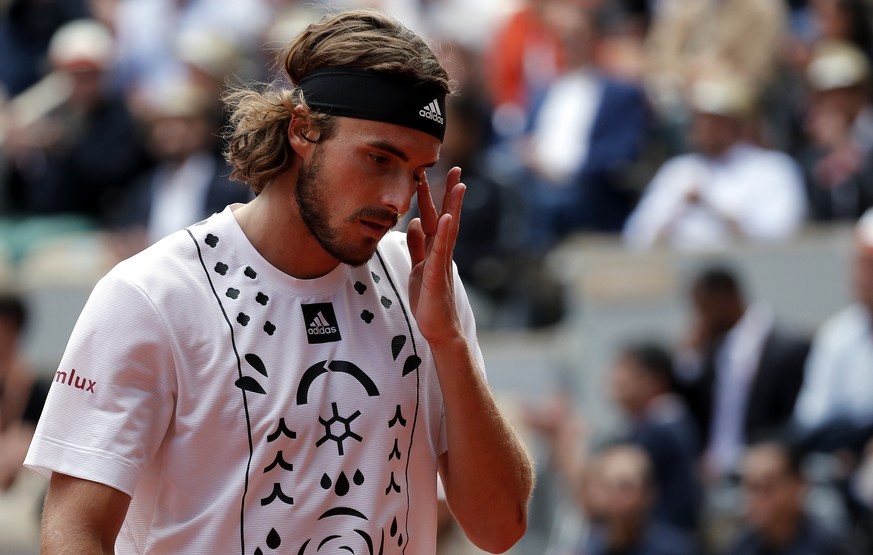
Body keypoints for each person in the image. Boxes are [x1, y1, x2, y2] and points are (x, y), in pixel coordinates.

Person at [24, 9, 535, 554]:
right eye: (378, 158)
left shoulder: (425, 282)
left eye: (416, 172)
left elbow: (500, 528)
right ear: (302, 130)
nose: (396, 199)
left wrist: (449, 342)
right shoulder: (150, 294)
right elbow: (74, 532)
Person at [623, 73, 807, 250]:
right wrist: (674, 214)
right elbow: (636, 237)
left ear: (736, 124)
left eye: (714, 121)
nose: (704, 128)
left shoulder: (774, 168)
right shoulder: (678, 170)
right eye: (699, 120)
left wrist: (709, 205)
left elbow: (779, 235)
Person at [673, 266, 810, 480]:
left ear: (724, 298)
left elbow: (793, 417)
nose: (699, 319)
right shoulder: (712, 347)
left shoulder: (787, 347)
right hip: (714, 472)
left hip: (761, 469)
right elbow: (692, 403)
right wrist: (689, 356)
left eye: (702, 308)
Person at [608, 342, 701, 533]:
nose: (615, 378)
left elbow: (600, 499)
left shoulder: (661, 431)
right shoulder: (654, 425)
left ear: (653, 379)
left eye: (625, 368)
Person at [723, 440, 851, 555]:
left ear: (799, 487)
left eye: (767, 487)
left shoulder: (829, 547)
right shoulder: (738, 548)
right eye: (749, 488)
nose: (753, 499)